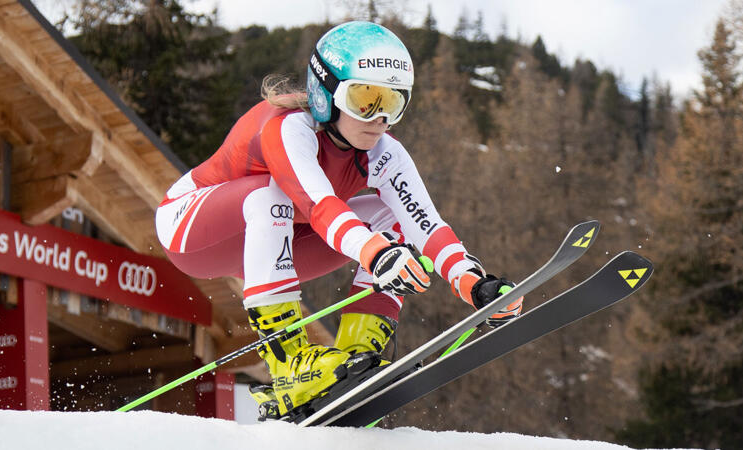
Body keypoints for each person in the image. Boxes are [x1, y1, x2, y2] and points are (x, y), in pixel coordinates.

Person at [155, 21, 523, 418]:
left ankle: (357, 356)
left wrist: (473, 283)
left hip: (283, 239)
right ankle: (290, 366)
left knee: (389, 214)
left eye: (394, 103)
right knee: (270, 194)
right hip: (191, 229)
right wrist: (378, 255)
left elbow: (427, 225)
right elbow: (319, 206)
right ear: (325, 92)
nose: (381, 118)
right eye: (366, 99)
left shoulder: (386, 152)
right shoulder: (288, 128)